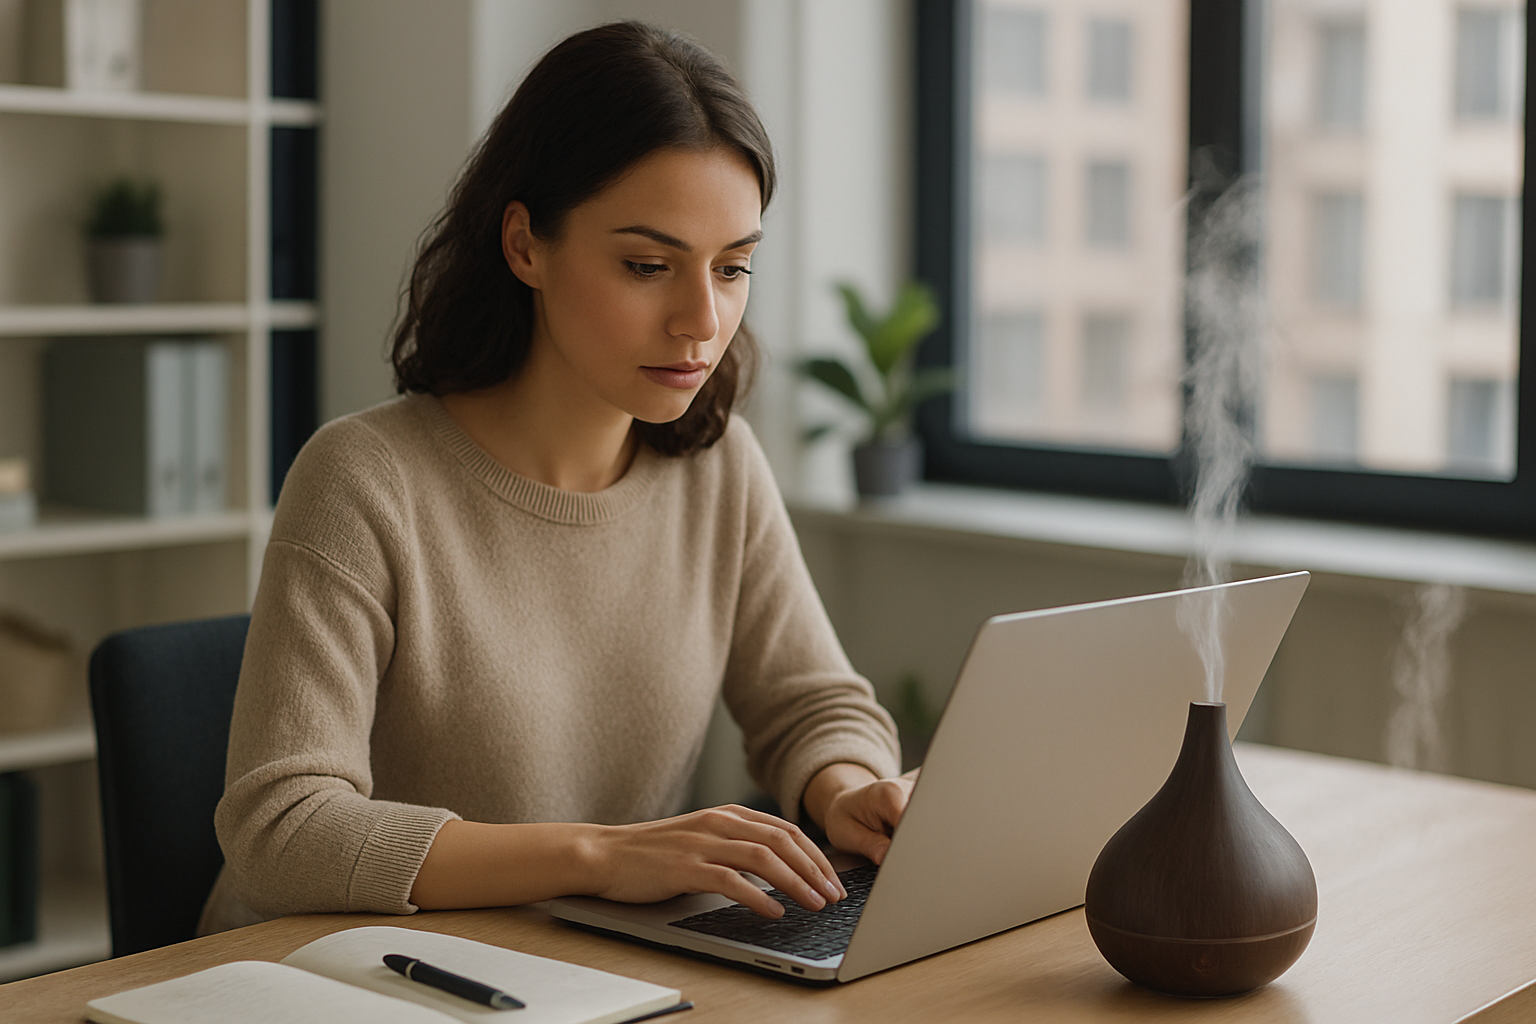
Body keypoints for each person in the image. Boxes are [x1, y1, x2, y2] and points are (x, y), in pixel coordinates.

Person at [200, 21, 912, 936]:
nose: (702, 319)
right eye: (648, 266)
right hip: (335, 979)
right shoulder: (365, 480)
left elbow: (810, 701)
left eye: (733, 267)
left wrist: (845, 785)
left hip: (571, 972)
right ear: (526, 244)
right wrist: (603, 857)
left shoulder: (717, 466)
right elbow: (281, 830)